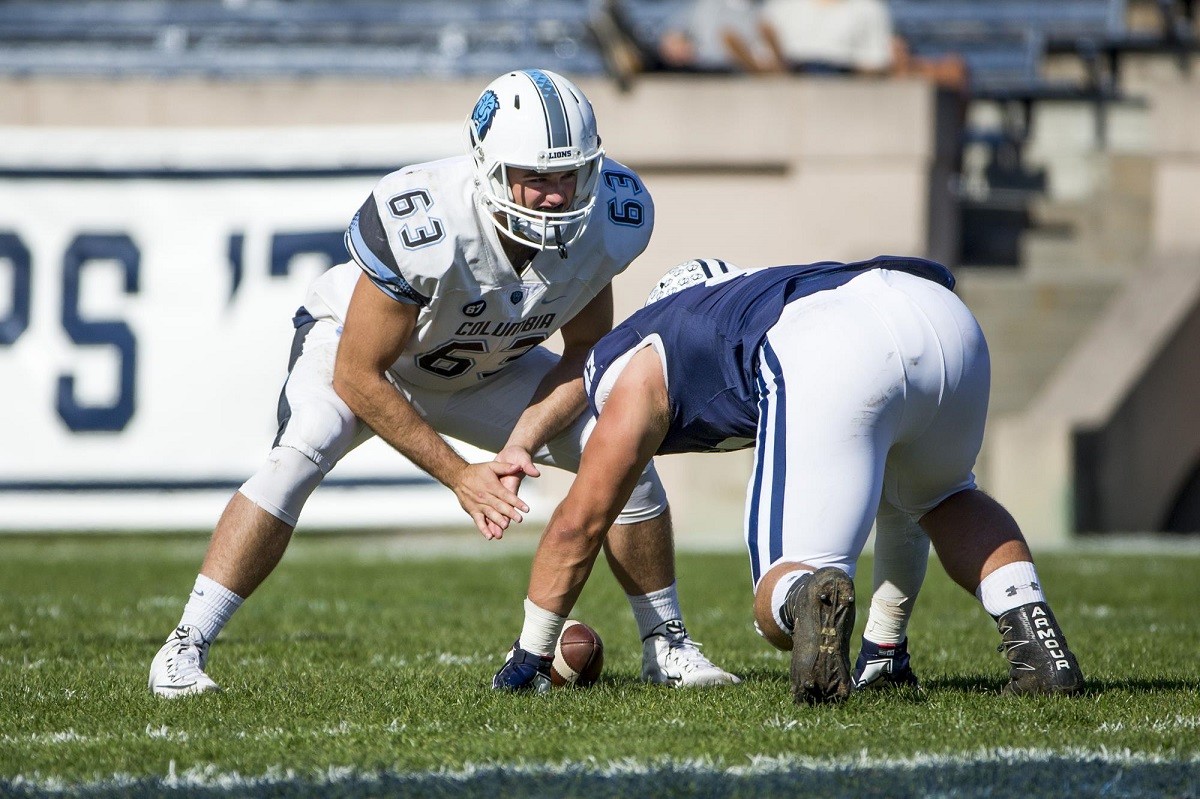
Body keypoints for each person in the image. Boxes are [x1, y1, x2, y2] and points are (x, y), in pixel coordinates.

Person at [147, 69, 739, 698]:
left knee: (621, 451)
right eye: (536, 177)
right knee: (302, 449)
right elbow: (358, 374)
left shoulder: (607, 219)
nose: (558, 195)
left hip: (488, 366)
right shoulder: (425, 218)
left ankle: (666, 644)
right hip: (367, 356)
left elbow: (587, 350)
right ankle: (183, 647)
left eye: (569, 175)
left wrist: (520, 441)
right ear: (489, 169)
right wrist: (461, 475)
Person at [492, 256, 1084, 703]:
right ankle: (1036, 643)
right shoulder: (759, 294)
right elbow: (903, 515)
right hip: (941, 315)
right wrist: (884, 643)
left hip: (833, 343)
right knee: (943, 496)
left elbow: (583, 518)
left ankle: (806, 602)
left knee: (784, 587)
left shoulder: (643, 347)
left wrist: (531, 651)